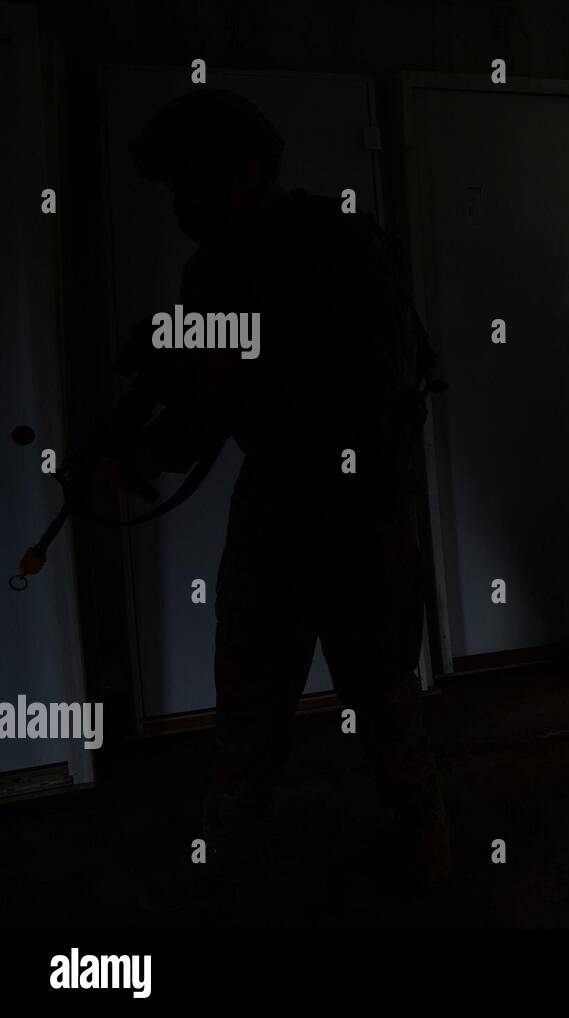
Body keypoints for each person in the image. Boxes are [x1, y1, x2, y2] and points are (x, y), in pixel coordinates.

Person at [106, 89, 447, 909]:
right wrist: (153, 425)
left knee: (382, 690)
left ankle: (421, 838)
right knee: (250, 693)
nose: (184, 206)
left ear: (247, 174)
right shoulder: (216, 267)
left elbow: (372, 384)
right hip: (284, 504)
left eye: (194, 185)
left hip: (358, 502)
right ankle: (230, 851)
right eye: (176, 190)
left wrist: (200, 397)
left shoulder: (339, 245)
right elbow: (203, 393)